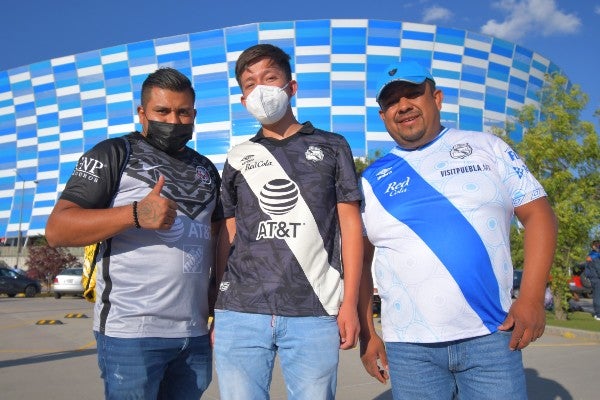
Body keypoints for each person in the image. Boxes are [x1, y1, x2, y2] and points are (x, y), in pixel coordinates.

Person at [358, 61, 558, 399]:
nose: (403, 105)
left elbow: (540, 216)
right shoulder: (369, 180)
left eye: (412, 94)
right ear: (383, 116)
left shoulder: (489, 148)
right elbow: (360, 262)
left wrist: (533, 297)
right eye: (391, 101)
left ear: (436, 98)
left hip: (492, 335)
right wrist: (368, 334)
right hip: (409, 348)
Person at [46, 67, 223, 400]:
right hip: (132, 333)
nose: (173, 120)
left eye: (183, 112)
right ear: (142, 113)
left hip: (195, 333)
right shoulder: (114, 153)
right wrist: (134, 214)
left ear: (194, 115)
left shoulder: (207, 169)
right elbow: (57, 229)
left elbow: (219, 240)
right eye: (162, 111)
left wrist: (220, 297)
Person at [213, 43, 363, 400]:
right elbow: (227, 236)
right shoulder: (238, 157)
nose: (260, 89)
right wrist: (218, 308)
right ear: (242, 98)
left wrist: (351, 304)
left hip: (313, 309)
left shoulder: (331, 146)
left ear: (290, 87)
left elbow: (351, 227)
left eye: (270, 78)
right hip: (240, 312)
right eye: (249, 84)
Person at [585, 240, 600, 320]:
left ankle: (597, 313)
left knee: (596, 296)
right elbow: (598, 269)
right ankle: (598, 314)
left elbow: (587, 268)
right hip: (597, 278)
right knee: (598, 297)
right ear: (594, 246)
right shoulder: (596, 256)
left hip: (593, 278)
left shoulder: (590, 255)